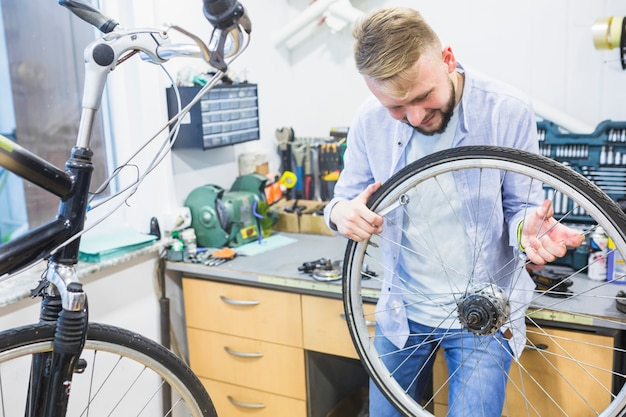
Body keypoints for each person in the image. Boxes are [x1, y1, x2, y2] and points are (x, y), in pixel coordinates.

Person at [323, 6, 584, 417]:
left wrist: (529, 232)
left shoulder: (506, 110)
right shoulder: (369, 119)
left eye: (423, 97)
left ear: (447, 59)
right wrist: (342, 213)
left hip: (484, 311)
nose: (414, 118)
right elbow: (343, 199)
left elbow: (522, 210)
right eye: (396, 107)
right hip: (401, 311)